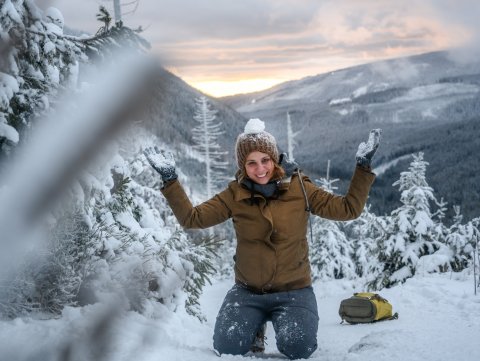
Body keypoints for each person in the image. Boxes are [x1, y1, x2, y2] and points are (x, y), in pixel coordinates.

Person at [144, 118, 381, 360]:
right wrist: (170, 181)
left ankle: (276, 325)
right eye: (251, 163)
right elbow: (192, 218)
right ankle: (254, 327)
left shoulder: (301, 188)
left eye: (265, 160)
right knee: (227, 347)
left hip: (294, 291)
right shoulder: (234, 195)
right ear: (242, 166)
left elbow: (347, 209)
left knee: (299, 348)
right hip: (248, 292)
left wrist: (362, 168)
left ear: (274, 158)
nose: (260, 169)